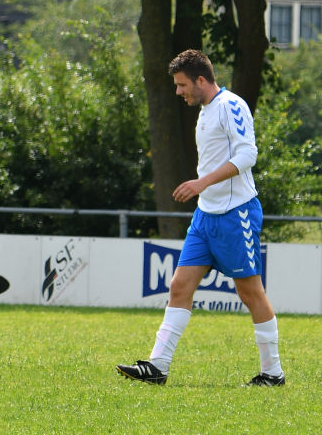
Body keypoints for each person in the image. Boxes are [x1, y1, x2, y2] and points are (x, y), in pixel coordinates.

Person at [116, 49, 284, 387]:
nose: (179, 92)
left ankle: (273, 373)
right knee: (179, 285)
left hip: (236, 215)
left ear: (202, 80)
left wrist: (200, 183)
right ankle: (158, 366)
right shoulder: (206, 111)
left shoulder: (231, 105)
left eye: (182, 85)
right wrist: (203, 192)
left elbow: (248, 154)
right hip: (205, 216)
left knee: (251, 293)